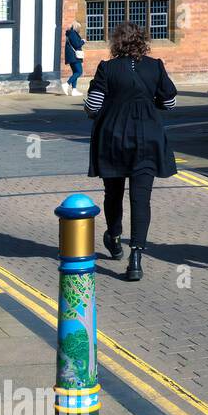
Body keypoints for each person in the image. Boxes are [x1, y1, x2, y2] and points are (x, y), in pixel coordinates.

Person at [84, 21, 178, 283]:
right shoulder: (155, 65)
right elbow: (170, 102)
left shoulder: (107, 67)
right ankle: (136, 257)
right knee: (141, 200)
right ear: (142, 41)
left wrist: (90, 110)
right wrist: (153, 101)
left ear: (116, 43)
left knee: (113, 194)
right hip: (148, 139)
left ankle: (114, 238)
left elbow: (93, 103)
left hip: (113, 138)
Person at [63, 21, 85, 97]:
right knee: (79, 72)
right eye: (79, 28)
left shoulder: (70, 33)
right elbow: (77, 45)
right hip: (74, 57)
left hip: (72, 56)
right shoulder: (72, 33)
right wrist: (82, 41)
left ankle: (74, 90)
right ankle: (66, 84)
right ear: (76, 27)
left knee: (75, 72)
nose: (79, 29)